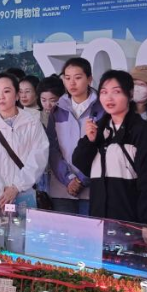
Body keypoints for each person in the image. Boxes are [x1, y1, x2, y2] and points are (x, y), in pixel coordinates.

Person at [71, 70, 147, 225]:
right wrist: (90, 141)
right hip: (99, 220)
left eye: (116, 92)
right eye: (104, 92)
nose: (109, 98)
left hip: (131, 222)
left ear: (130, 94)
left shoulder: (143, 131)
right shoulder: (99, 129)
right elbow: (81, 164)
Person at [0, 72, 49, 218]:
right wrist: (0, 193)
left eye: (6, 91)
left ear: (17, 95)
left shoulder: (32, 123)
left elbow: (39, 158)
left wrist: (16, 187)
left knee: (22, 232)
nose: (1, 96)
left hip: (23, 194)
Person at [47, 58, 104, 215]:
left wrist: (81, 179)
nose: (72, 83)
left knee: (90, 230)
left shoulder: (102, 109)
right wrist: (69, 178)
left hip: (93, 189)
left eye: (78, 77)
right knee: (62, 230)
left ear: (89, 79)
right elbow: (52, 148)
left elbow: (102, 150)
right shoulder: (57, 109)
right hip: (62, 189)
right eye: (67, 78)